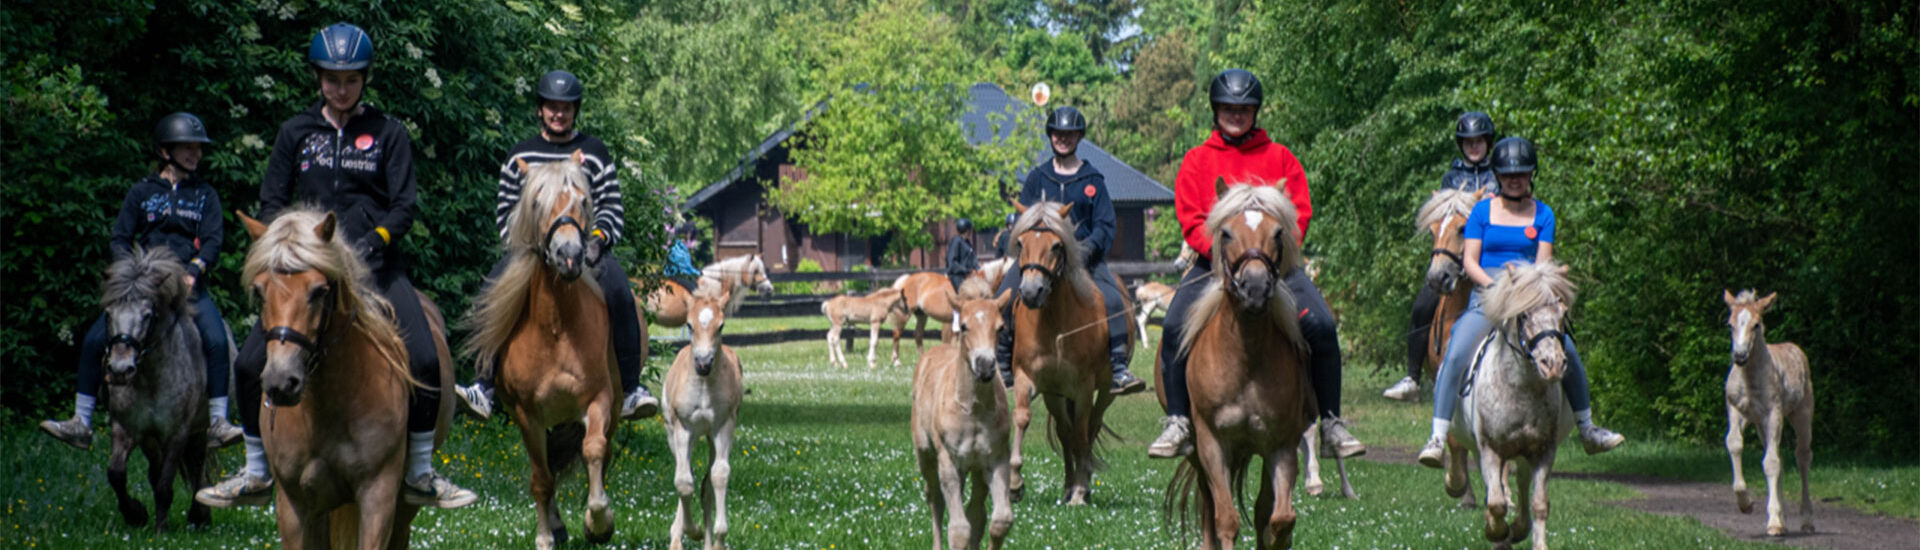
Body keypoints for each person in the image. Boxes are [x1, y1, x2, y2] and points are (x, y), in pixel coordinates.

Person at [197, 22, 476, 510]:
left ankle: (421, 469)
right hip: (306, 274)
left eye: (350, 79)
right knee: (246, 363)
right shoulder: (294, 133)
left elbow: (404, 206)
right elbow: (270, 203)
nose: (341, 88)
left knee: (428, 359)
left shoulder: (389, 133)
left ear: (364, 79)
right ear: (318, 78)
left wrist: (373, 243)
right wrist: (285, 250)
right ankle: (257, 469)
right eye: (331, 79)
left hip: (377, 267)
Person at [1146, 69, 1367, 460]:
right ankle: (1178, 420)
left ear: (1255, 112)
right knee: (1177, 323)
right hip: (1212, 265)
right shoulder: (1197, 161)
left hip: (1276, 267)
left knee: (1321, 325)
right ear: (1216, 111)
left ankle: (1331, 421)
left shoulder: (1280, 157)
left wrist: (1273, 256)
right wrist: (1220, 256)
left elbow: (1298, 215)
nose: (1236, 115)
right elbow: (1191, 217)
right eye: (1229, 109)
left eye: (1244, 109)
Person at [452, 70, 659, 423]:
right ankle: (483, 386)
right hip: (531, 254)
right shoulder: (521, 155)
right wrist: (528, 246)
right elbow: (506, 211)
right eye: (552, 107)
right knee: (489, 295)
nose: (558, 114)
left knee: (621, 293)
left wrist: (597, 242)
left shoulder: (593, 152)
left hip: (586, 251)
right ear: (540, 110)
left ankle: (631, 388)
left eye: (566, 108)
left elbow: (611, 206)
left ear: (575, 110)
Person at [1415, 137, 1626, 467]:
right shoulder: (1482, 212)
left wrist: (1523, 294)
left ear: (1531, 175)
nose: (1516, 179)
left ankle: (1587, 427)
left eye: (1522, 173)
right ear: (1498, 176)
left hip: (1529, 299)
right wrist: (1496, 287)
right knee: (1455, 353)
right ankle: (1438, 436)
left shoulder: (1543, 214)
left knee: (1567, 348)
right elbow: (1470, 261)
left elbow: (1542, 266)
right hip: (1487, 297)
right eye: (1509, 174)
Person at [39, 112, 244, 451]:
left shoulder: (205, 194)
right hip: (143, 289)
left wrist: (194, 269)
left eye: (198, 148)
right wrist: (129, 272)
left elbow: (212, 241)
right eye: (187, 148)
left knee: (217, 341)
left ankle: (219, 422)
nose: (196, 154)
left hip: (188, 286)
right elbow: (119, 237)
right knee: (93, 339)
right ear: (165, 151)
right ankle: (81, 420)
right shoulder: (141, 192)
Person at [994, 106, 1147, 396]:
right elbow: (1023, 220)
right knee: (1005, 294)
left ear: (1078, 137)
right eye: (1058, 134)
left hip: (1084, 261)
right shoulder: (1037, 178)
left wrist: (1084, 251)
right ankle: (1002, 364)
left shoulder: (1093, 180)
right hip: (1039, 259)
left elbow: (1104, 225)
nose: (1063, 139)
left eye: (1069, 134)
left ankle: (1118, 369)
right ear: (1050, 136)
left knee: (1113, 299)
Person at [1384, 111, 1500, 401]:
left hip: (1489, 259)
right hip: (1454, 259)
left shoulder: (1499, 176)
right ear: (1461, 145)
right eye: (1468, 142)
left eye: (1479, 142)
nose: (1474, 147)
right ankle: (1412, 376)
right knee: (1423, 305)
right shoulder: (1452, 176)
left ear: (1487, 142)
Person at [664, 221, 703, 292]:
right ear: (684, 234)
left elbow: (687, 266)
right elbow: (683, 267)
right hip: (676, 274)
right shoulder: (677, 247)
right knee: (696, 290)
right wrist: (696, 272)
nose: (690, 234)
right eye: (689, 232)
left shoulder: (682, 246)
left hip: (680, 273)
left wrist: (696, 271)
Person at [945, 218, 978, 292]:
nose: (971, 231)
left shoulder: (967, 242)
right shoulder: (956, 241)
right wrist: (966, 270)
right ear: (967, 230)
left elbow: (972, 258)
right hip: (957, 275)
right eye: (970, 229)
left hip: (967, 274)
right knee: (963, 293)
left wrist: (978, 268)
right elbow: (952, 262)